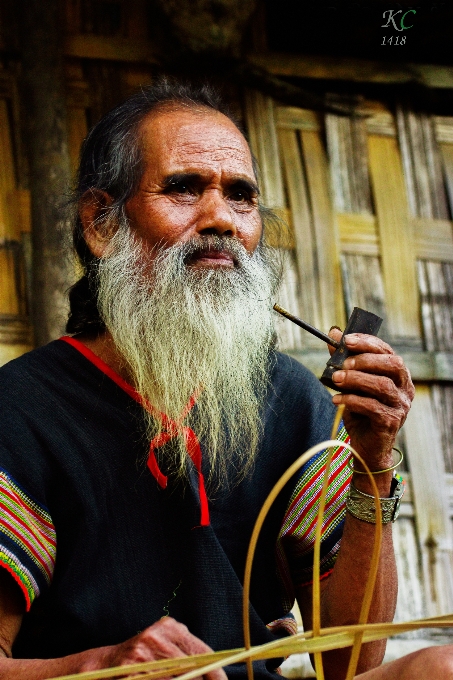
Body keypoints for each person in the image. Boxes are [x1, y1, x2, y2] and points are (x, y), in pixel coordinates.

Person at [0, 78, 437, 680]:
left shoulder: (291, 398)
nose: (222, 220)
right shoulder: (21, 409)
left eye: (241, 196)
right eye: (183, 189)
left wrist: (374, 457)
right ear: (101, 224)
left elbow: (350, 659)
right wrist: (102, 666)